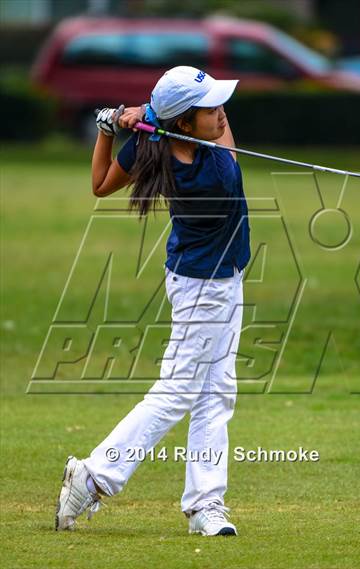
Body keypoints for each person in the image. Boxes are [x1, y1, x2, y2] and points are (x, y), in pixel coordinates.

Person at [55, 66, 251, 537]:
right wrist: (142, 116)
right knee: (180, 392)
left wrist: (110, 128)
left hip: (212, 277)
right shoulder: (214, 173)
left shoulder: (152, 145)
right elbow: (230, 146)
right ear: (184, 123)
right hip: (206, 289)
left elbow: (101, 183)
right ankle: (96, 473)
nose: (222, 114)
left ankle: (205, 504)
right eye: (211, 110)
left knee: (215, 393)